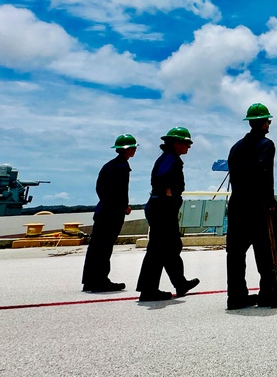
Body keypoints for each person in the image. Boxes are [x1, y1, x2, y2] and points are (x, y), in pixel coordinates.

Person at [226, 103, 277, 310]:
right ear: (263, 123)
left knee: (236, 253)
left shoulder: (236, 147)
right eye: (268, 120)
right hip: (259, 206)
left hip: (237, 205)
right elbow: (262, 175)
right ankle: (271, 294)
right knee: (270, 250)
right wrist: (269, 205)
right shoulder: (266, 145)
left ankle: (236, 296)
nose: (269, 123)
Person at [135, 127, 200, 302]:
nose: (189, 147)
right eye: (187, 143)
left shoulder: (168, 158)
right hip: (163, 208)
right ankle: (148, 290)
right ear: (176, 143)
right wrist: (167, 191)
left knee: (170, 247)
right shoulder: (171, 159)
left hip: (161, 206)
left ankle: (180, 283)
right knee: (158, 249)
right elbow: (160, 178)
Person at [82, 134, 137, 293]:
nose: (135, 150)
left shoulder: (109, 166)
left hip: (103, 210)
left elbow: (101, 189)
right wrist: (123, 207)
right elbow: (119, 191)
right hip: (112, 213)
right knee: (104, 248)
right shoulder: (122, 167)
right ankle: (100, 280)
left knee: (96, 247)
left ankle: (90, 280)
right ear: (128, 149)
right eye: (133, 147)